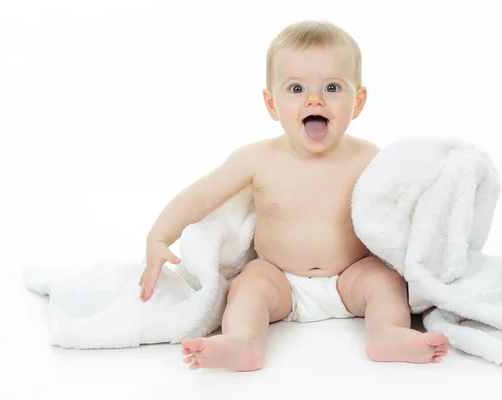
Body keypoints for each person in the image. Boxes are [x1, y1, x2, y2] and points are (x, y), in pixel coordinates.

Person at [138, 20, 449, 371]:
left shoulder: (369, 158)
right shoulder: (256, 159)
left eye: (332, 87)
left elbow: (407, 209)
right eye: (296, 88)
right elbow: (199, 197)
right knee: (247, 287)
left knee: (386, 281)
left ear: (358, 101)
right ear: (271, 104)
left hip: (352, 276)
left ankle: (387, 333)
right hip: (279, 279)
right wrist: (159, 236)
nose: (314, 99)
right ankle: (243, 341)